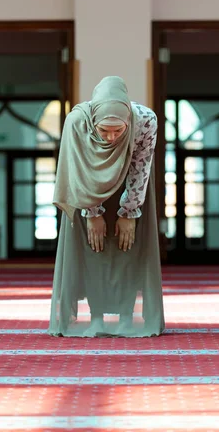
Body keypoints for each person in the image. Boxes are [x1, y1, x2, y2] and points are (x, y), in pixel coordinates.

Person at [48, 75, 165, 337]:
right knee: (94, 251)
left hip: (130, 190)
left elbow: (140, 167)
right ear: (94, 124)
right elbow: (78, 169)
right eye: (104, 131)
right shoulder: (79, 121)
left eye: (118, 131)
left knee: (128, 250)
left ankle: (126, 318)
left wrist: (130, 212)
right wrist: (92, 213)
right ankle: (96, 318)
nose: (111, 138)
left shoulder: (145, 121)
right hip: (85, 190)